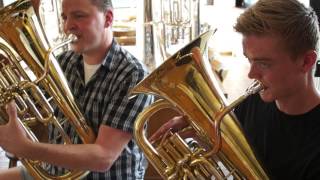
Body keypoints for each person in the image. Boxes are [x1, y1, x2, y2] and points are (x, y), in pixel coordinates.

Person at [150, 0, 320, 179]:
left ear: (306, 61)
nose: (251, 74)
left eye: (264, 63)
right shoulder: (252, 103)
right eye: (249, 60)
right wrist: (202, 137)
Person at [0, 0, 152, 179]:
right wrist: (11, 89)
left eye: (79, 16)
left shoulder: (133, 74)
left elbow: (103, 157)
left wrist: (26, 148)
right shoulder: (62, 62)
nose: (67, 27)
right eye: (65, 17)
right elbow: (27, 112)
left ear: (108, 19)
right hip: (55, 171)